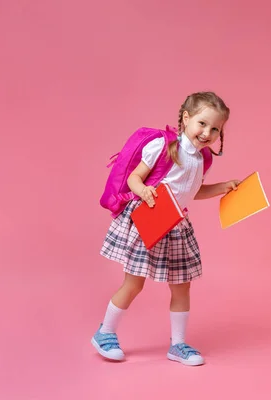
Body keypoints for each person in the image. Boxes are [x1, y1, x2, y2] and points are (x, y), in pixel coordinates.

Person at [92, 91, 239, 366]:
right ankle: (105, 333)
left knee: (182, 287)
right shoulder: (163, 146)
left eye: (215, 128)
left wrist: (222, 188)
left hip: (176, 226)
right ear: (186, 118)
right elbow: (136, 177)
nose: (208, 132)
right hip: (150, 219)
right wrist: (144, 191)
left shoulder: (203, 158)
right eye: (202, 124)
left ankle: (178, 345)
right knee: (134, 283)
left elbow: (191, 191)